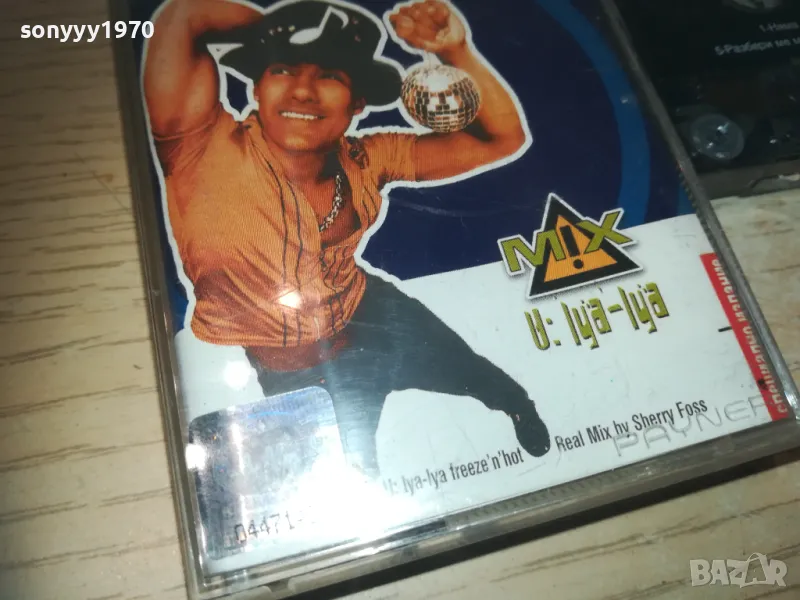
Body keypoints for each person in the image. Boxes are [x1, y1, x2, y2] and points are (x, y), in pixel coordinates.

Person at [143, 0, 550, 477]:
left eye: (330, 75)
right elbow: (184, 16)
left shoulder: (370, 157)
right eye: (282, 69)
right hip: (295, 370)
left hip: (376, 315)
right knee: (351, 475)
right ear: (256, 87)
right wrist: (284, 24)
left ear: (357, 104)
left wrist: (456, 51)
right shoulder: (198, 144)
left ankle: (519, 407)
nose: (302, 90)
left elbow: (502, 139)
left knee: (475, 373)